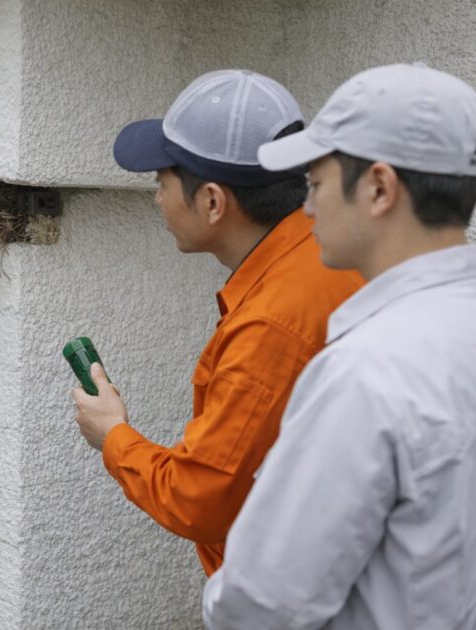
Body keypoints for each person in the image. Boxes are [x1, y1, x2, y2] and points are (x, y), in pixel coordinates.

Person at [202, 63, 476, 629]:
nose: (307, 209)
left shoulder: (367, 371)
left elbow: (264, 604)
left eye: (317, 183)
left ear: (378, 188)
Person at [72, 70, 363, 576]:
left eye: (161, 182)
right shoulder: (331, 248)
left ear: (212, 202)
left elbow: (200, 501)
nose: (157, 198)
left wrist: (113, 435)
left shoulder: (272, 324)